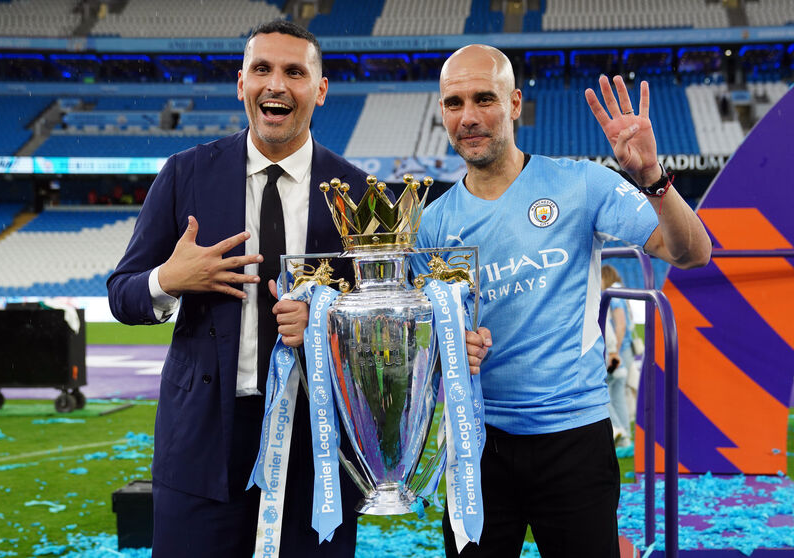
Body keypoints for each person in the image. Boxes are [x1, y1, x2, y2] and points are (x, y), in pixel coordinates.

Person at [412, 44, 711, 557]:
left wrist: (652, 179)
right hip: (477, 444)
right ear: (442, 111)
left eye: (484, 98)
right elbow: (425, 335)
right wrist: (447, 345)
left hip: (574, 439)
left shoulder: (580, 183)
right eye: (454, 103)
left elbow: (692, 253)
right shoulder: (433, 223)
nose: (469, 117)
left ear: (514, 104)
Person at [107, 20, 364, 558]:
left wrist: (329, 320)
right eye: (262, 69)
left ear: (319, 90)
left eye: (294, 72)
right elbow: (122, 294)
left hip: (316, 442)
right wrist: (167, 281)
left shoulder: (359, 193)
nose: (276, 84)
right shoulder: (184, 174)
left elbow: (377, 325)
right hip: (202, 439)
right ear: (240, 82)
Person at [601, 264, 639, 444]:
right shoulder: (620, 291)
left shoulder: (612, 293)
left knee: (604, 390)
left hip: (617, 350)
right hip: (623, 348)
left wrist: (614, 350)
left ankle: (618, 430)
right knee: (618, 393)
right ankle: (625, 437)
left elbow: (620, 324)